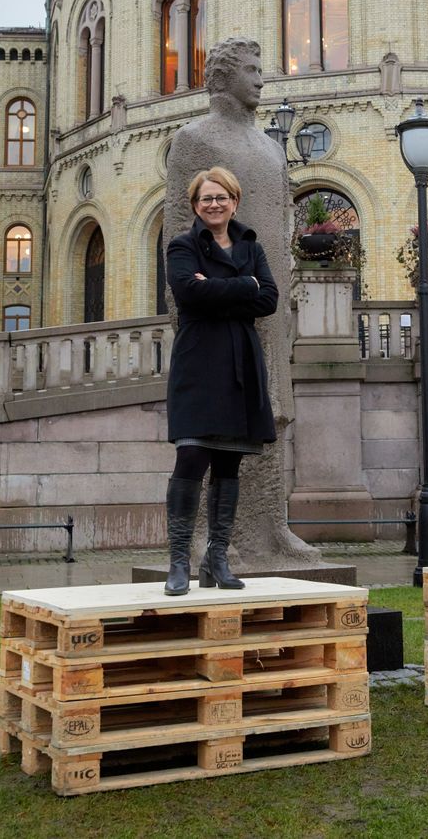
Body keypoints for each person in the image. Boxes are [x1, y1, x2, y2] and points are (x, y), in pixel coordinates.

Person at [163, 165, 278, 595]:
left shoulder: (251, 245)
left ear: (235, 202)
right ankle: (178, 560)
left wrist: (219, 286)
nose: (214, 204)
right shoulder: (182, 245)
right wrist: (242, 286)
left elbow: (268, 298)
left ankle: (217, 557)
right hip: (198, 362)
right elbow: (187, 293)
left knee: (229, 463)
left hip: (240, 364)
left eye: (221, 197)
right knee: (191, 458)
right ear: (195, 205)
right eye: (206, 198)